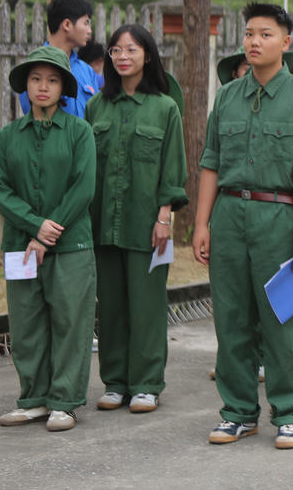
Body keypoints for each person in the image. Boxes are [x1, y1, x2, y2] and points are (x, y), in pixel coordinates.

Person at [192, 3, 293, 450]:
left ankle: (290, 413)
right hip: (230, 216)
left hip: (280, 216)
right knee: (231, 319)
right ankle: (237, 412)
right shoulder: (228, 96)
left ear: (286, 43)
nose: (253, 42)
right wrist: (202, 223)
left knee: (285, 318)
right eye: (249, 33)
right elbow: (210, 164)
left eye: (265, 34)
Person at [0, 47, 97, 433]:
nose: (43, 87)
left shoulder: (79, 131)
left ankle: (64, 401)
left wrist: (49, 230)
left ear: (63, 88)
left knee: (70, 320)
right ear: (26, 85)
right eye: (36, 79)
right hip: (21, 245)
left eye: (52, 80)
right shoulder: (8, 137)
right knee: (26, 323)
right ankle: (33, 398)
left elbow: (83, 187)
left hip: (71, 245)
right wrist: (35, 226)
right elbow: (0, 188)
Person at [86, 25, 187, 415]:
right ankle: (115, 382)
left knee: (146, 305)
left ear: (147, 54)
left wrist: (164, 217)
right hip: (103, 226)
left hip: (147, 225)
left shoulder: (165, 108)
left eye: (131, 49)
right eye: (115, 50)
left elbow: (173, 169)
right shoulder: (96, 108)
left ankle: (146, 384)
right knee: (109, 306)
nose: (123, 56)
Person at [18, 0, 103, 118]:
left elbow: (96, 116)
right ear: (67, 25)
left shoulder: (87, 71)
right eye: (86, 23)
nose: (89, 30)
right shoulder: (34, 67)